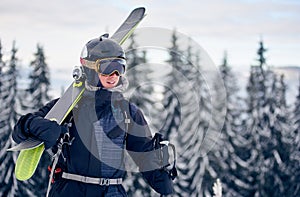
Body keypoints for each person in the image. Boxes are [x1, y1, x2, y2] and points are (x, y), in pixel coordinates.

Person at [13, 35, 176, 197]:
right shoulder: (66, 107)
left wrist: (161, 176)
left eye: (120, 67)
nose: (114, 74)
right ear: (90, 69)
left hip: (111, 192)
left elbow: (143, 154)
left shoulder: (127, 112)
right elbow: (20, 131)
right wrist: (38, 127)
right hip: (69, 191)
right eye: (107, 68)